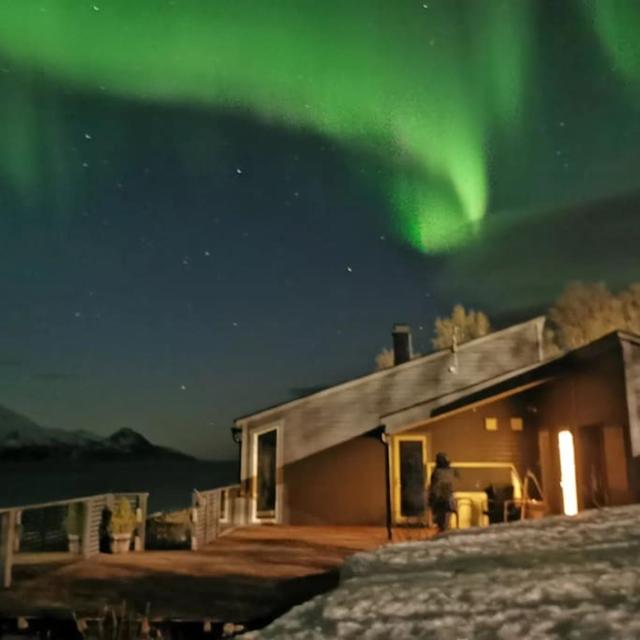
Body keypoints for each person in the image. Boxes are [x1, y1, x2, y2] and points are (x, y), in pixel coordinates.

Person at [428, 452, 456, 532]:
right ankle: (445, 532)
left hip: (440, 499)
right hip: (448, 498)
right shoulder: (451, 471)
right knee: (446, 520)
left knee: (441, 521)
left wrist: (431, 498)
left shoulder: (437, 472)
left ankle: (442, 533)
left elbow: (435, 486)